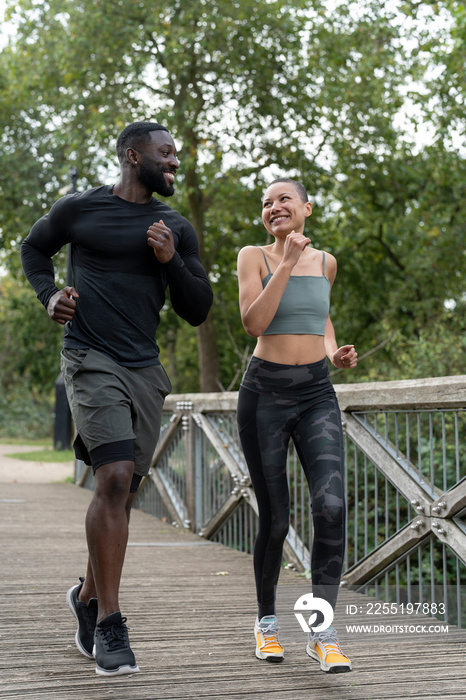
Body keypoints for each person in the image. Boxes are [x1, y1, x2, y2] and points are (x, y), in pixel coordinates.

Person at [21, 121, 213, 676]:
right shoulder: (79, 210)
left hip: (145, 368)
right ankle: (109, 623)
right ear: (134, 156)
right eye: (166, 153)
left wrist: (171, 259)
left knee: (123, 490)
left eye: (176, 155)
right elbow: (34, 251)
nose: (175, 162)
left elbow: (198, 308)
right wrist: (50, 293)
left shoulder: (174, 226)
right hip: (88, 357)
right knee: (112, 476)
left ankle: (84, 596)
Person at [236, 178, 357, 672]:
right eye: (266, 203)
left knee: (331, 508)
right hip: (264, 394)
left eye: (284, 199)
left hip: (315, 393)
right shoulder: (254, 256)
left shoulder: (326, 262)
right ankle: (266, 624)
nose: (274, 207)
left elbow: (320, 320)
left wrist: (335, 351)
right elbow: (254, 323)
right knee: (278, 518)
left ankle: (321, 631)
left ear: (306, 207)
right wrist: (285, 260)